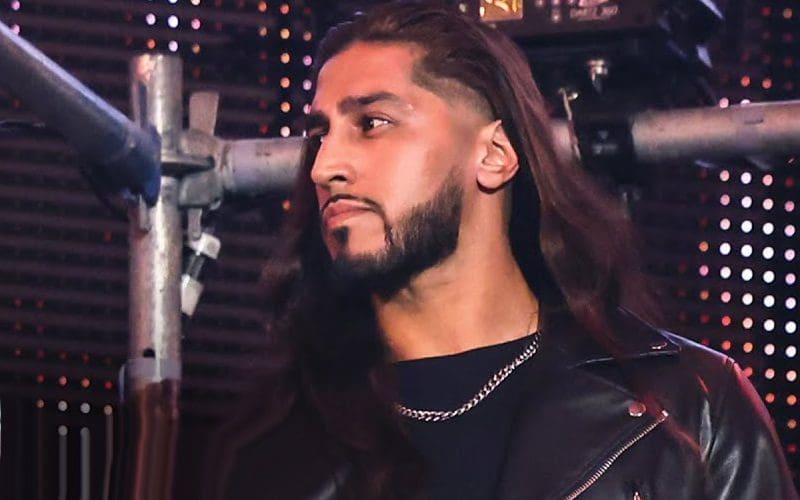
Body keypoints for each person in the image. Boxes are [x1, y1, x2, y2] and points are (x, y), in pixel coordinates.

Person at [201, 2, 799, 499]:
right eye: (319, 135)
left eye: (372, 123)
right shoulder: (269, 447)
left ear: (494, 155)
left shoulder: (690, 408)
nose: (324, 165)